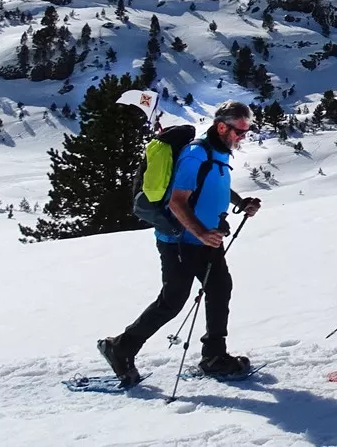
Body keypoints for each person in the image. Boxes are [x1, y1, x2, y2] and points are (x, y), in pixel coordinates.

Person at [98, 100, 262, 387]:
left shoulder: (217, 153)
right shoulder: (196, 154)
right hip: (180, 241)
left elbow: (213, 184)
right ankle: (120, 348)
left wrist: (240, 202)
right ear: (222, 126)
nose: (243, 136)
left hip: (205, 238)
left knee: (220, 288)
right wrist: (200, 232)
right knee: (172, 301)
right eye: (239, 131)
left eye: (246, 131)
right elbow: (177, 202)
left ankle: (214, 356)